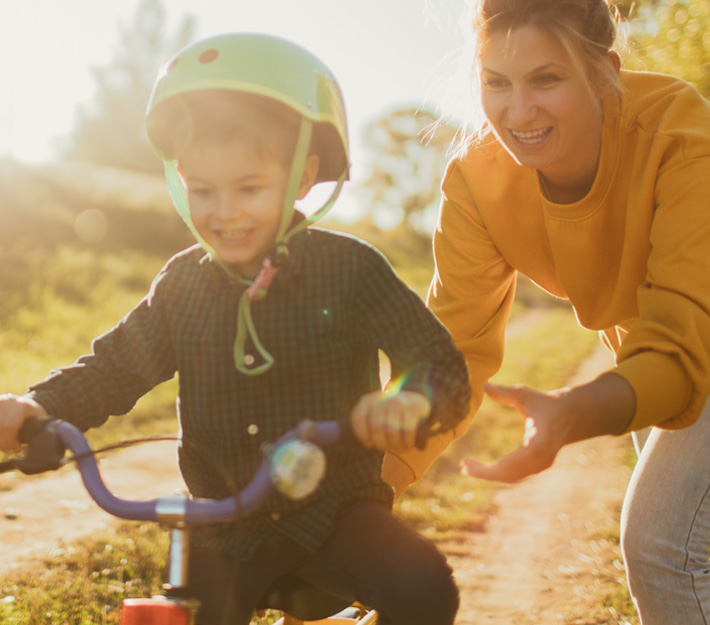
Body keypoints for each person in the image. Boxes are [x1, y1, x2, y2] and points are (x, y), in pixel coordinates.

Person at [0, 33, 471, 625]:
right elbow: (115, 367)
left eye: (249, 188)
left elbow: (438, 361)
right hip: (221, 523)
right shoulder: (183, 285)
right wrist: (36, 405)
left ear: (303, 176)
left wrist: (411, 402)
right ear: (180, 181)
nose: (223, 213)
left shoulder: (350, 269)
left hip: (333, 512)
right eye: (203, 190)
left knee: (423, 587)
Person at [382, 0, 710, 623]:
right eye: (496, 83)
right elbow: (453, 351)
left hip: (695, 347)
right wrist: (372, 485)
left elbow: (682, 343)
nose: (519, 112)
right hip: (649, 364)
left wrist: (575, 411)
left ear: (604, 72)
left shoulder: (678, 134)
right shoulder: (478, 180)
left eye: (547, 79)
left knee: (663, 544)